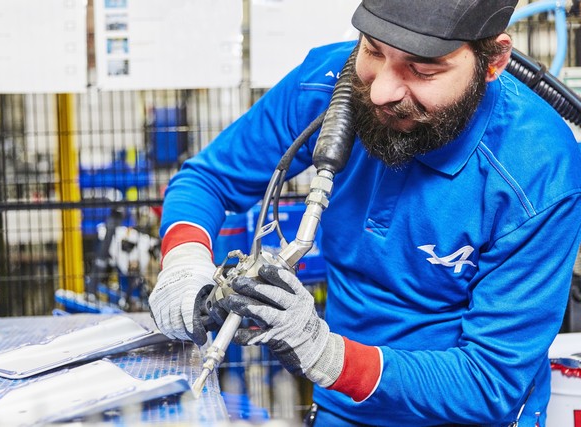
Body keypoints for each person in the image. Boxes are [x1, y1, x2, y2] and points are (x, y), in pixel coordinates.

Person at [149, 0, 581, 425]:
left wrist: (328, 355)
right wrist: (184, 263)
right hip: (341, 407)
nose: (380, 91)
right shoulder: (328, 81)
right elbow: (206, 180)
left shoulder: (539, 170)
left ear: (495, 60)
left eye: (422, 69)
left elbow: (492, 383)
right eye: (373, 50)